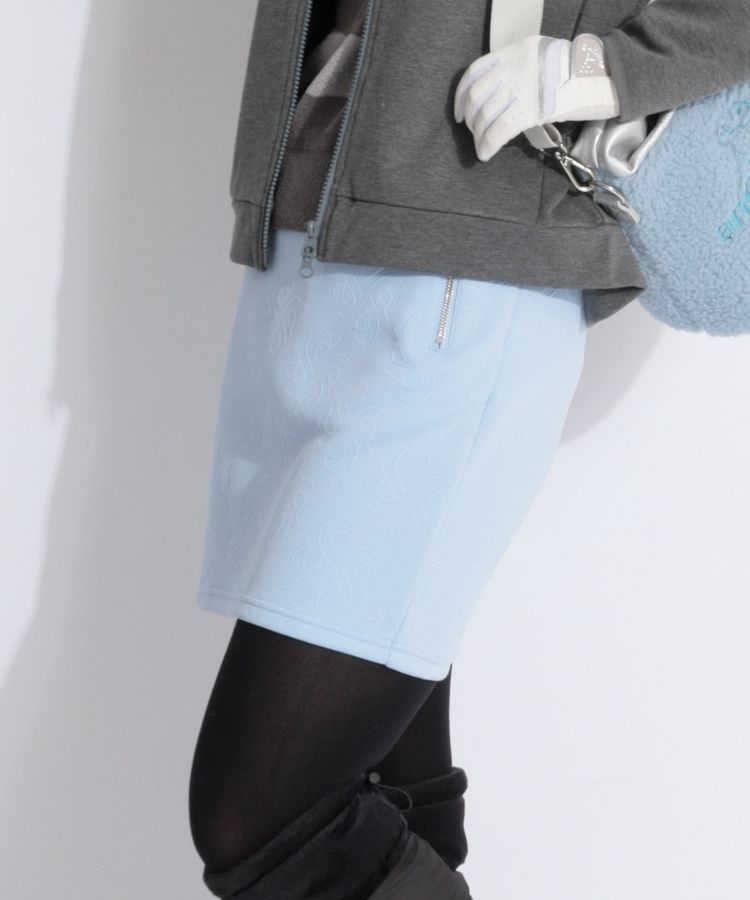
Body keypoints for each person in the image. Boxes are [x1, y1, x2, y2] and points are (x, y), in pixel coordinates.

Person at [187, 1, 750, 896]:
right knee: (387, 791)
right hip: (305, 241)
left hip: (464, 275)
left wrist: (594, 70)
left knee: (261, 811)